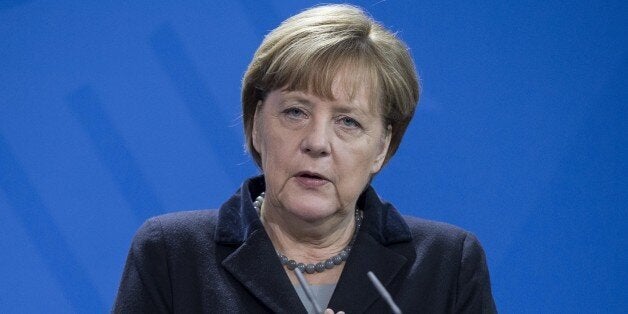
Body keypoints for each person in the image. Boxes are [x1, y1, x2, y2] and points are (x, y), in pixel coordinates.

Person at [114, 4, 496, 313]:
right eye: (296, 112)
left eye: (347, 121)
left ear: (381, 147)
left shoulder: (447, 266)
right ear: (256, 126)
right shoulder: (171, 255)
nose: (317, 142)